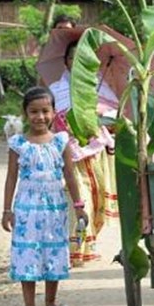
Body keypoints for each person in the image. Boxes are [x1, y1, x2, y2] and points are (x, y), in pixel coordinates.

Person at [2, 87, 88, 306]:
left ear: (53, 112)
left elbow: (70, 176)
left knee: (53, 252)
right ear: (25, 114)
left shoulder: (61, 141)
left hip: (55, 207)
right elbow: (11, 177)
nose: (40, 117)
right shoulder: (17, 143)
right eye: (34, 112)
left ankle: (51, 303)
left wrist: (79, 205)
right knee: (27, 254)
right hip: (27, 208)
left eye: (45, 111)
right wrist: (7, 210)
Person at [49, 41, 117, 267]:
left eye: (82, 58)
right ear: (65, 62)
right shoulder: (57, 89)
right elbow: (50, 119)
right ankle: (75, 248)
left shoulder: (99, 85)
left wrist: (98, 112)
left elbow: (114, 112)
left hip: (96, 151)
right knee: (79, 198)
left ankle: (90, 242)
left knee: (97, 199)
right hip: (70, 152)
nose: (77, 63)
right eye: (72, 58)